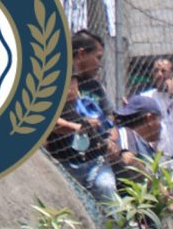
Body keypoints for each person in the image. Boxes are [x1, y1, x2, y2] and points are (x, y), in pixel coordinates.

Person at [121, 57, 173, 229]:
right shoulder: (146, 97)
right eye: (156, 71)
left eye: (164, 71)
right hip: (155, 163)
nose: (159, 75)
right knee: (162, 211)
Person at [44, 30, 121, 214]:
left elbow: (111, 120)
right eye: (97, 57)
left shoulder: (95, 87)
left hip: (95, 158)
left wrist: (110, 139)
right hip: (65, 160)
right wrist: (77, 126)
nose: (99, 64)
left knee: (107, 192)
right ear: (80, 54)